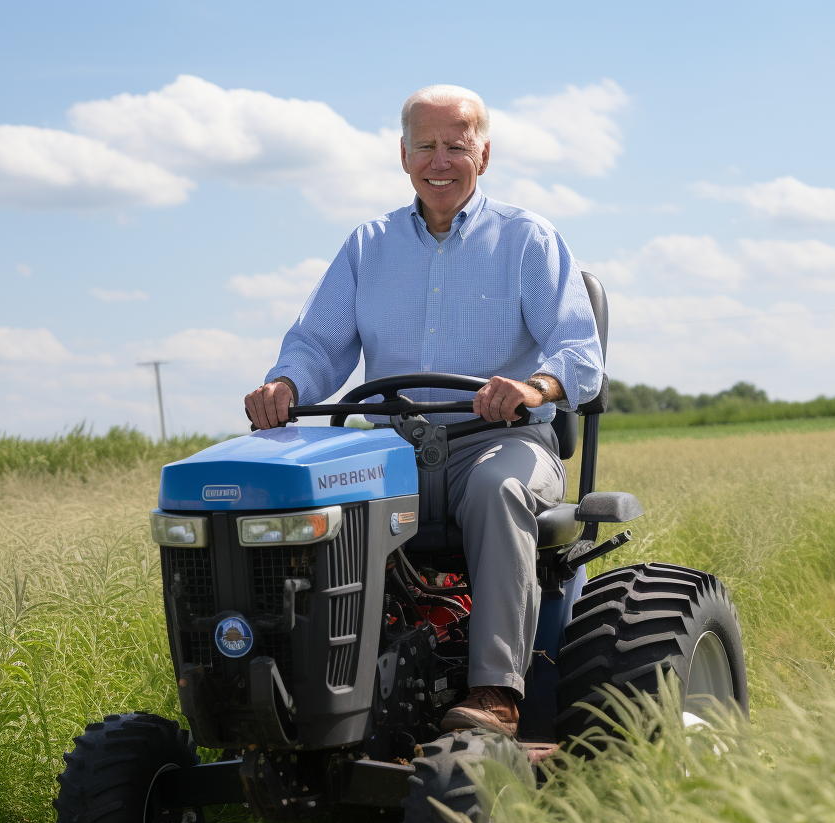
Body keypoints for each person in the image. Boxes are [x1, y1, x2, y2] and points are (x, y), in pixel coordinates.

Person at [245, 84, 603, 737]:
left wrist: (536, 387)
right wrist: (286, 385)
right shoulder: (367, 245)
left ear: (484, 155)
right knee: (307, 500)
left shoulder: (529, 239)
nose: (441, 161)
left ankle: (495, 693)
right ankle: (308, 689)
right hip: (391, 451)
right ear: (403, 155)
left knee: (499, 490)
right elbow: (316, 345)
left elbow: (581, 351)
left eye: (456, 146)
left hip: (496, 441)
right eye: (426, 146)